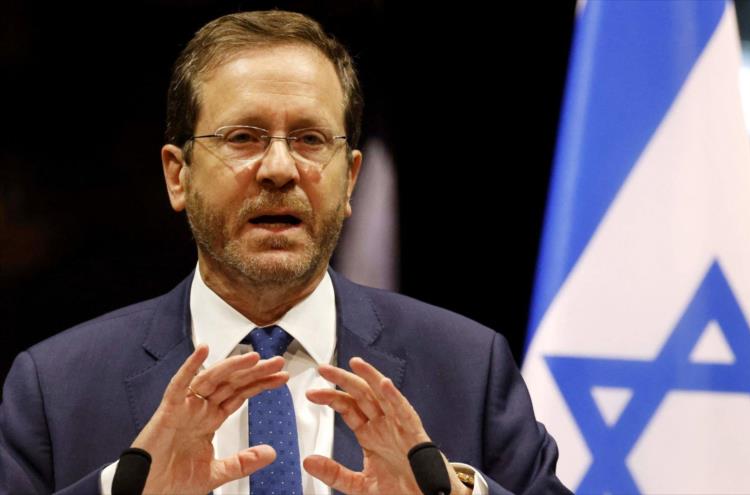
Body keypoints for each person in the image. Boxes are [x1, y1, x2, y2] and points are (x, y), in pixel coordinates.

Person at [0, 10, 569, 495]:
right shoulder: (55, 386)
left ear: (349, 181)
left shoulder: (468, 366)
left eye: (310, 139)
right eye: (242, 137)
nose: (279, 169)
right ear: (178, 176)